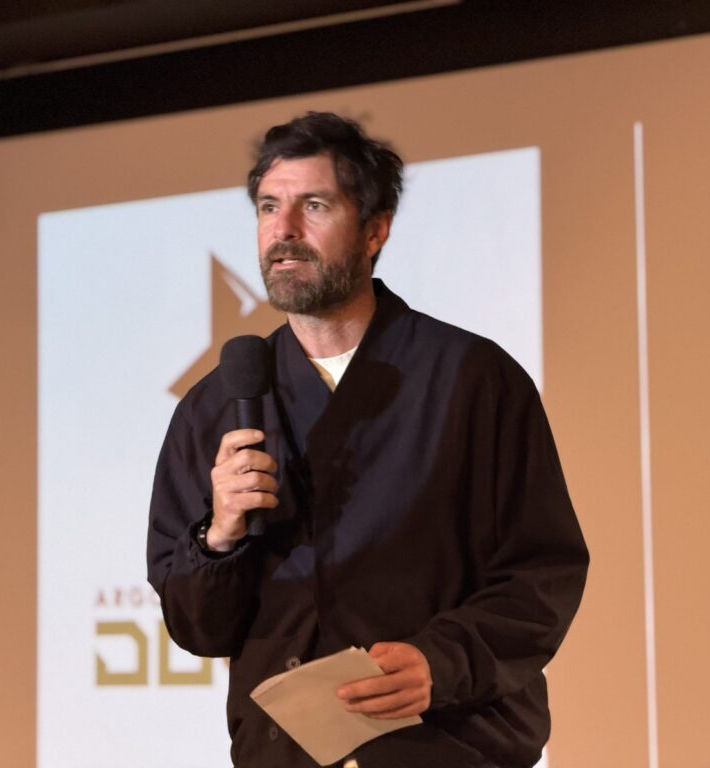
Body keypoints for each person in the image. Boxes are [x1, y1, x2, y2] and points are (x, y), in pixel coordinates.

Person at [146, 112, 588, 768]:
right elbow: (198, 629)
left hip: (445, 748)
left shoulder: (470, 379)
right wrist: (221, 538)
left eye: (314, 206)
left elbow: (542, 575)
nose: (283, 230)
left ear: (375, 230)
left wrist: (441, 662)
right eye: (269, 207)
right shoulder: (213, 408)